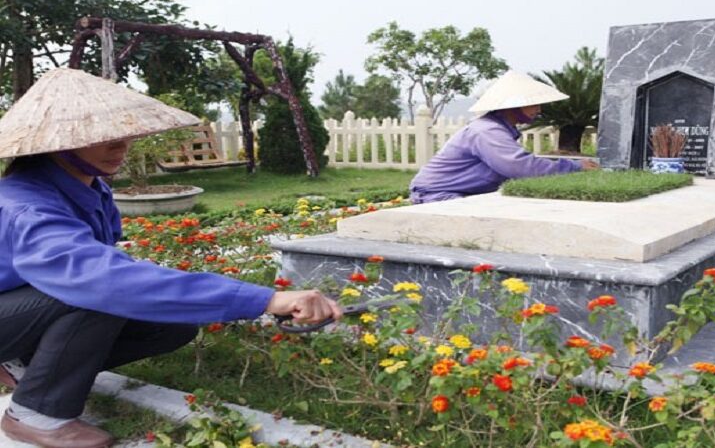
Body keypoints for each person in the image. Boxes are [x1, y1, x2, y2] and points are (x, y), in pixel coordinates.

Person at [0, 68, 342, 448]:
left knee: (171, 324)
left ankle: (26, 365)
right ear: (56, 142)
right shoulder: (26, 206)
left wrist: (221, 302)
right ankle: (34, 414)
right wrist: (268, 299)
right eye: (101, 137)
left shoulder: (91, 188)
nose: (121, 145)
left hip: (17, 307)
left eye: (122, 132)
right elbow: (101, 278)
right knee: (94, 293)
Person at [409, 71, 600, 204]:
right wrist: (574, 167)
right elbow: (521, 167)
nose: (539, 110)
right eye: (533, 104)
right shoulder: (486, 131)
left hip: (457, 192)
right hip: (438, 195)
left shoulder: (497, 128)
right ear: (512, 105)